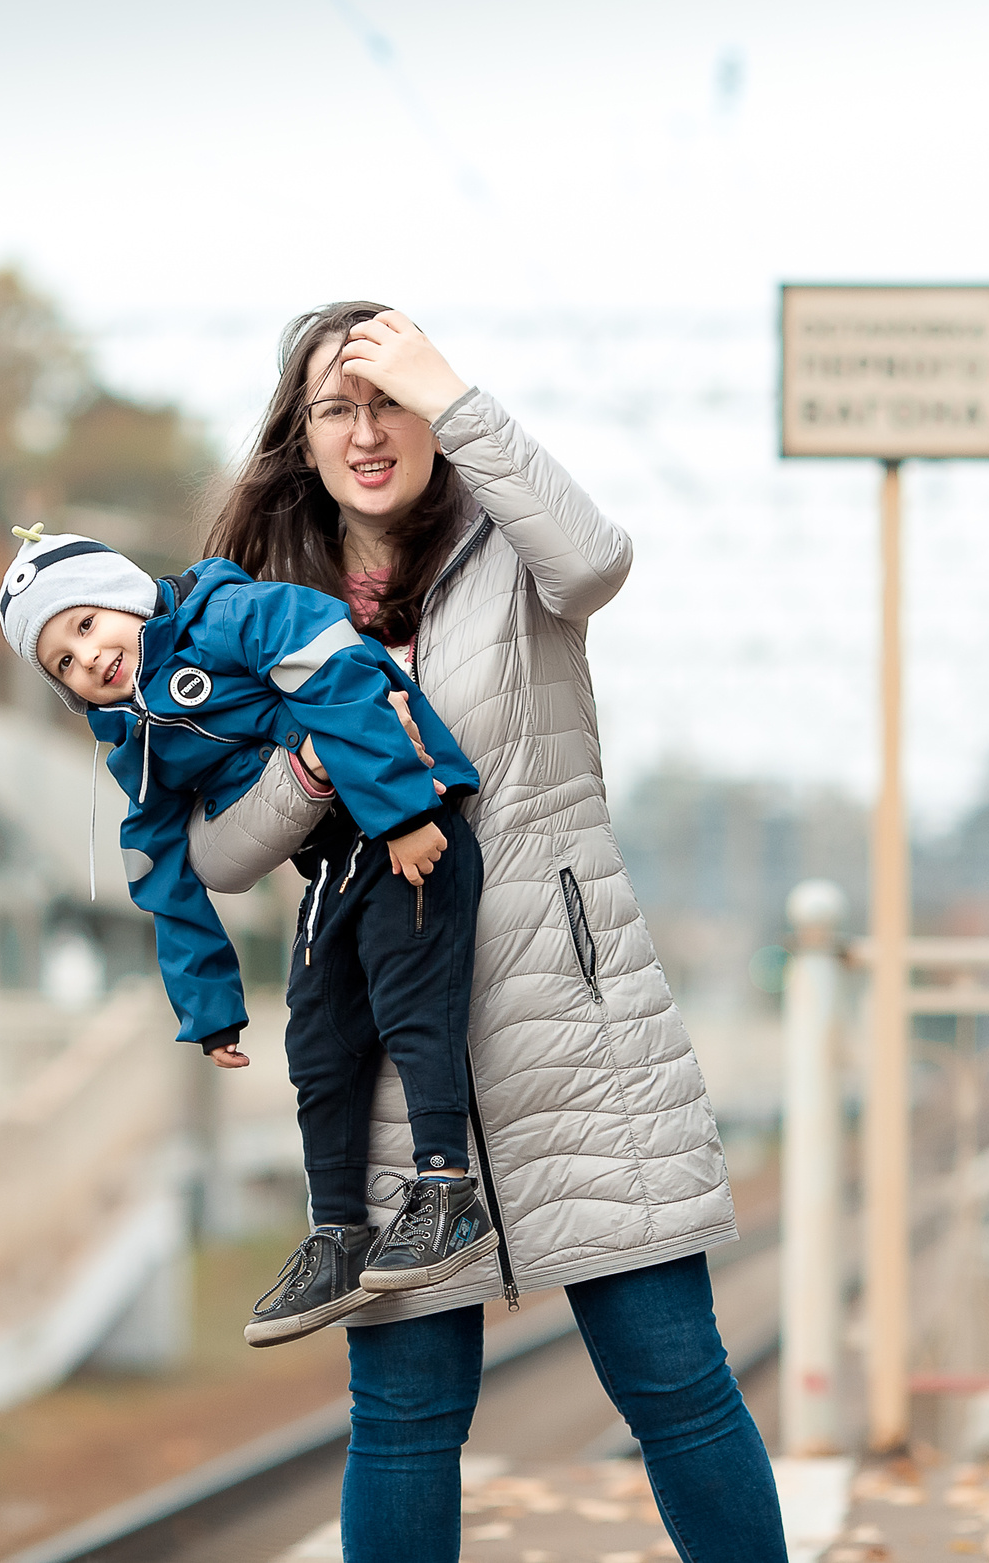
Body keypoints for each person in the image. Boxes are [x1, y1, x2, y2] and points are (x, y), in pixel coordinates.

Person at [185, 304, 787, 1562]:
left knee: (676, 1386)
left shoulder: (510, 553)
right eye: (335, 409)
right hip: (396, 1066)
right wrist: (312, 769)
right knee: (401, 1419)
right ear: (298, 439)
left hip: (577, 1032)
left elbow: (597, 560)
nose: (366, 431)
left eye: (388, 400)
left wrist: (455, 392)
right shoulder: (254, 617)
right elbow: (218, 855)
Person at [0, 525, 497, 1344]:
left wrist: (407, 810)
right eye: (63, 662)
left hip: (406, 822)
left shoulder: (235, 615)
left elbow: (339, 679)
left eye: (85, 626)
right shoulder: (139, 743)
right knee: (319, 1044)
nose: (87, 660)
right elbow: (161, 870)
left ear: (121, 593)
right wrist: (209, 1006)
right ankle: (339, 1231)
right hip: (332, 863)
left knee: (414, 1008)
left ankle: (448, 1190)